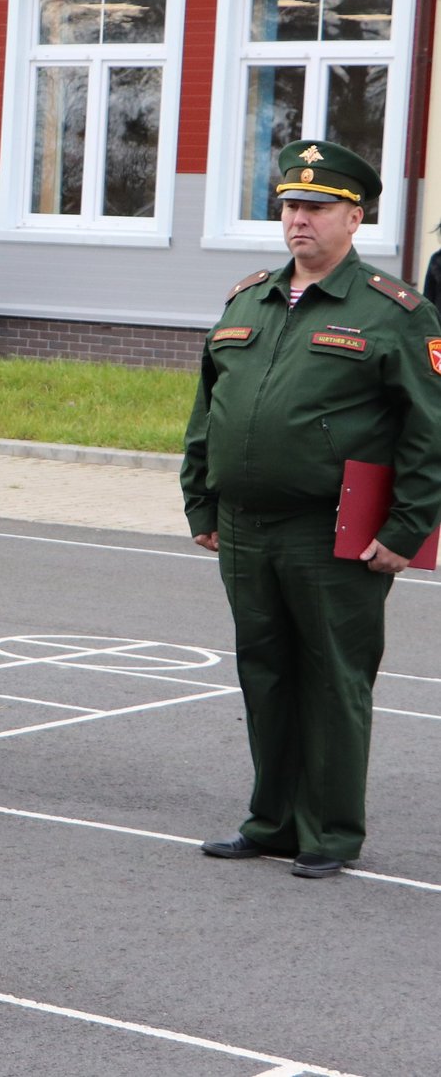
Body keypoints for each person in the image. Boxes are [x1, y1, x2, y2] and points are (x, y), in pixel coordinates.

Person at [182, 139, 441, 879]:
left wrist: (406, 529)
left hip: (335, 530)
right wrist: (200, 496)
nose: (299, 220)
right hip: (243, 523)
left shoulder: (395, 312)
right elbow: (210, 407)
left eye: (317, 208)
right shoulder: (249, 297)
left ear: (354, 217)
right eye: (290, 206)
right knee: (263, 671)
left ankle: (329, 829)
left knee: (332, 677)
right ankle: (270, 820)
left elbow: (430, 431)